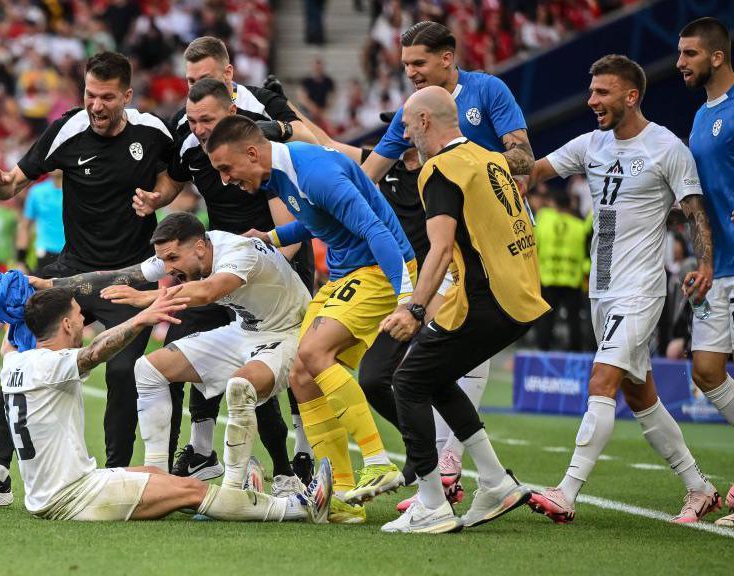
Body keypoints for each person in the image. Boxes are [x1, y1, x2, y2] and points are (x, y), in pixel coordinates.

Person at [309, 21, 535, 501]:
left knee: (420, 371)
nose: (410, 72)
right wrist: (322, 205)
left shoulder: (486, 93)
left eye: (419, 63)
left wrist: (471, 165)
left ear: (447, 58)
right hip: (445, 251)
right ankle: (469, 474)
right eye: (406, 63)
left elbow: (523, 157)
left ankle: (438, 480)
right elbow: (365, 177)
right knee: (415, 371)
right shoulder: (411, 116)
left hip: (487, 254)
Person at [0, 52, 176, 508]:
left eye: (107, 97)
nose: (96, 105)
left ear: (126, 97)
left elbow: (172, 181)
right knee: (21, 352)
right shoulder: (68, 129)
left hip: (130, 275)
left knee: (124, 369)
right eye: (90, 94)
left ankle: (115, 473)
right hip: (70, 272)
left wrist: (157, 198)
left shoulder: (153, 132)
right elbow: (16, 181)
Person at [525, 55, 721, 524]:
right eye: (591, 92)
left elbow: (694, 210)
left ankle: (567, 490)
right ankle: (700, 488)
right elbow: (534, 170)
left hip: (641, 289)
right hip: (601, 290)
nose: (592, 101)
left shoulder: (666, 148)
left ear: (631, 96)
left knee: (602, 382)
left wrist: (706, 264)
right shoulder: (591, 144)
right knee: (640, 396)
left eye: (602, 92)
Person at [205, 115, 416, 523]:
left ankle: (377, 460)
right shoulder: (281, 176)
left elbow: (377, 232)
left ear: (252, 152)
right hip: (346, 274)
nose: (226, 179)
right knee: (301, 373)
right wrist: (272, 237)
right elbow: (317, 219)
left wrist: (407, 298)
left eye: (226, 168)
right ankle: (339, 491)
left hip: (378, 269)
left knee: (315, 351)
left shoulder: (314, 172)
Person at [132, 38, 319, 486]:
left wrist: (272, 258)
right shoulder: (188, 129)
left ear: (230, 80)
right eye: (191, 82)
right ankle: (198, 452)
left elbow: (311, 151)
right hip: (214, 256)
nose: (197, 91)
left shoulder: (257, 125)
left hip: (268, 256)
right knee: (193, 343)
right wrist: (158, 198)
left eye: (207, 81)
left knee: (291, 365)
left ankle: (302, 457)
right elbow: (176, 179)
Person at [0, 286, 332, 523]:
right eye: (79, 315)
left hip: (52, 492)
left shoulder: (14, 363)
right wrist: (141, 320)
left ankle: (246, 503)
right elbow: (94, 353)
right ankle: (297, 508)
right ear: (68, 324)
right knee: (189, 489)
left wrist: (9, 317)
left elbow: (16, 349)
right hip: (75, 496)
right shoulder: (52, 366)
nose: (84, 322)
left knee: (155, 475)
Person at [37, 212, 311, 499]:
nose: (168, 268)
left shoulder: (238, 251)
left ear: (200, 248)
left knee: (241, 388)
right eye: (164, 261)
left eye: (172, 259)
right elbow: (126, 274)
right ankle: (158, 479)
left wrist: (147, 298)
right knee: (148, 368)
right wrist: (51, 284)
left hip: (289, 332)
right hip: (246, 329)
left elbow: (208, 291)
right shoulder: (187, 250)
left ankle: (233, 493)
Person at [380, 86, 546, 534]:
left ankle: (432, 502)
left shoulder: (439, 169)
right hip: (521, 292)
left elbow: (438, 251)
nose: (405, 133)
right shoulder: (489, 157)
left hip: (487, 297)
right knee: (434, 378)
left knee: (407, 381)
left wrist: (414, 310)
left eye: (407, 124)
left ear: (425, 123)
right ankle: (494, 482)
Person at [677, 16, 734, 528]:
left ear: (716, 56)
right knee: (706, 369)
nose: (680, 64)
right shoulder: (700, 117)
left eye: (690, 54)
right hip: (719, 266)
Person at [534, 187, 590, 351]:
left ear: (554, 203)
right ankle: (575, 354)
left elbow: (535, 246)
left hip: (548, 277)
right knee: (574, 320)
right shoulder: (580, 226)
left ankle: (542, 352)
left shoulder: (543, 220)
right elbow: (586, 252)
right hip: (572, 279)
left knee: (545, 319)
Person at [19, 172, 65, 272]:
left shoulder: (78, 191)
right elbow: (25, 226)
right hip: (44, 254)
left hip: (71, 255)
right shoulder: (37, 192)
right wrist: (21, 260)